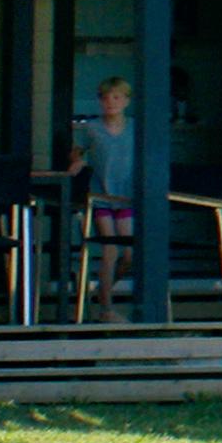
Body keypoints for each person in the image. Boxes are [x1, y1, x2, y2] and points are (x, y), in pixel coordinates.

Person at [69, 76, 137, 322]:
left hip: (126, 196)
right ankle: (106, 308)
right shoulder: (92, 128)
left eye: (116, 98)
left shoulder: (134, 128)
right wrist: (78, 161)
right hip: (100, 195)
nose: (111, 103)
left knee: (129, 254)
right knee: (110, 249)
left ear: (126, 101)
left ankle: (102, 290)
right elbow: (77, 152)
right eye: (106, 98)